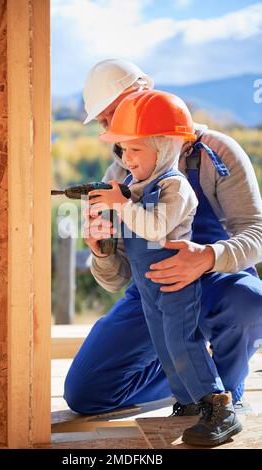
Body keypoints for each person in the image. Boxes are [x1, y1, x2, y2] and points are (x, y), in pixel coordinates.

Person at [64, 59, 262, 422]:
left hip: (218, 284)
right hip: (152, 290)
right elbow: (116, 278)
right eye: (107, 121)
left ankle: (222, 393)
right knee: (86, 392)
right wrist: (102, 253)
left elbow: (256, 233)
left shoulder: (218, 152)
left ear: (144, 94)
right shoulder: (120, 174)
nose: (116, 131)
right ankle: (189, 373)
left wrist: (207, 257)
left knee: (250, 300)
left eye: (116, 112)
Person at [89, 88, 243, 446]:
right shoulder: (133, 186)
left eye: (135, 150)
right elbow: (127, 241)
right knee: (163, 344)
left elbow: (155, 227)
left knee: (182, 341)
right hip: (147, 287)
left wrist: (122, 204)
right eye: (123, 150)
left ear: (167, 148)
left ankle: (218, 407)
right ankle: (188, 402)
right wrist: (103, 244)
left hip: (176, 285)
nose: (126, 159)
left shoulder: (175, 187)